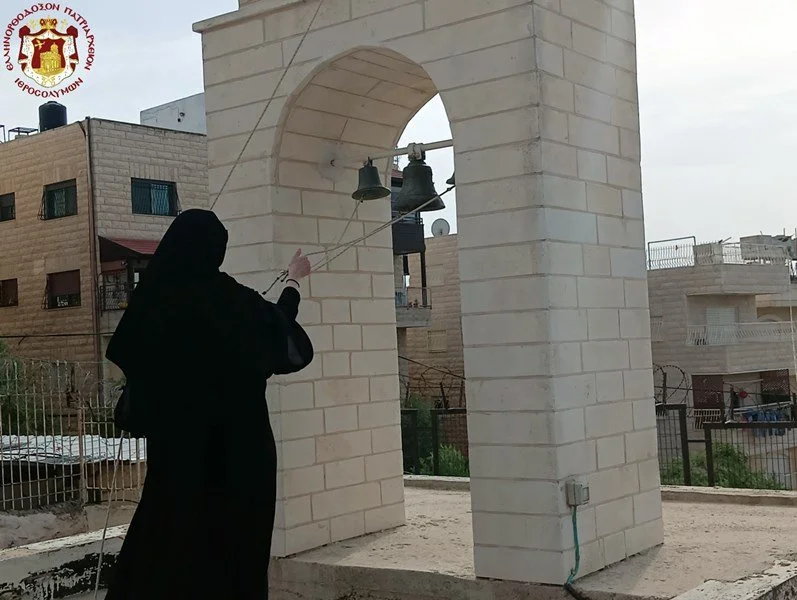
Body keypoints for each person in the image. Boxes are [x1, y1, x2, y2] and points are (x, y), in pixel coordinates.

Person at [104, 209, 314, 600]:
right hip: (241, 461)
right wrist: (294, 282)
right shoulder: (236, 303)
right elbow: (281, 334)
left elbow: (136, 376)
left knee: (168, 552)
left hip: (178, 461)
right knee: (234, 558)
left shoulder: (154, 305)